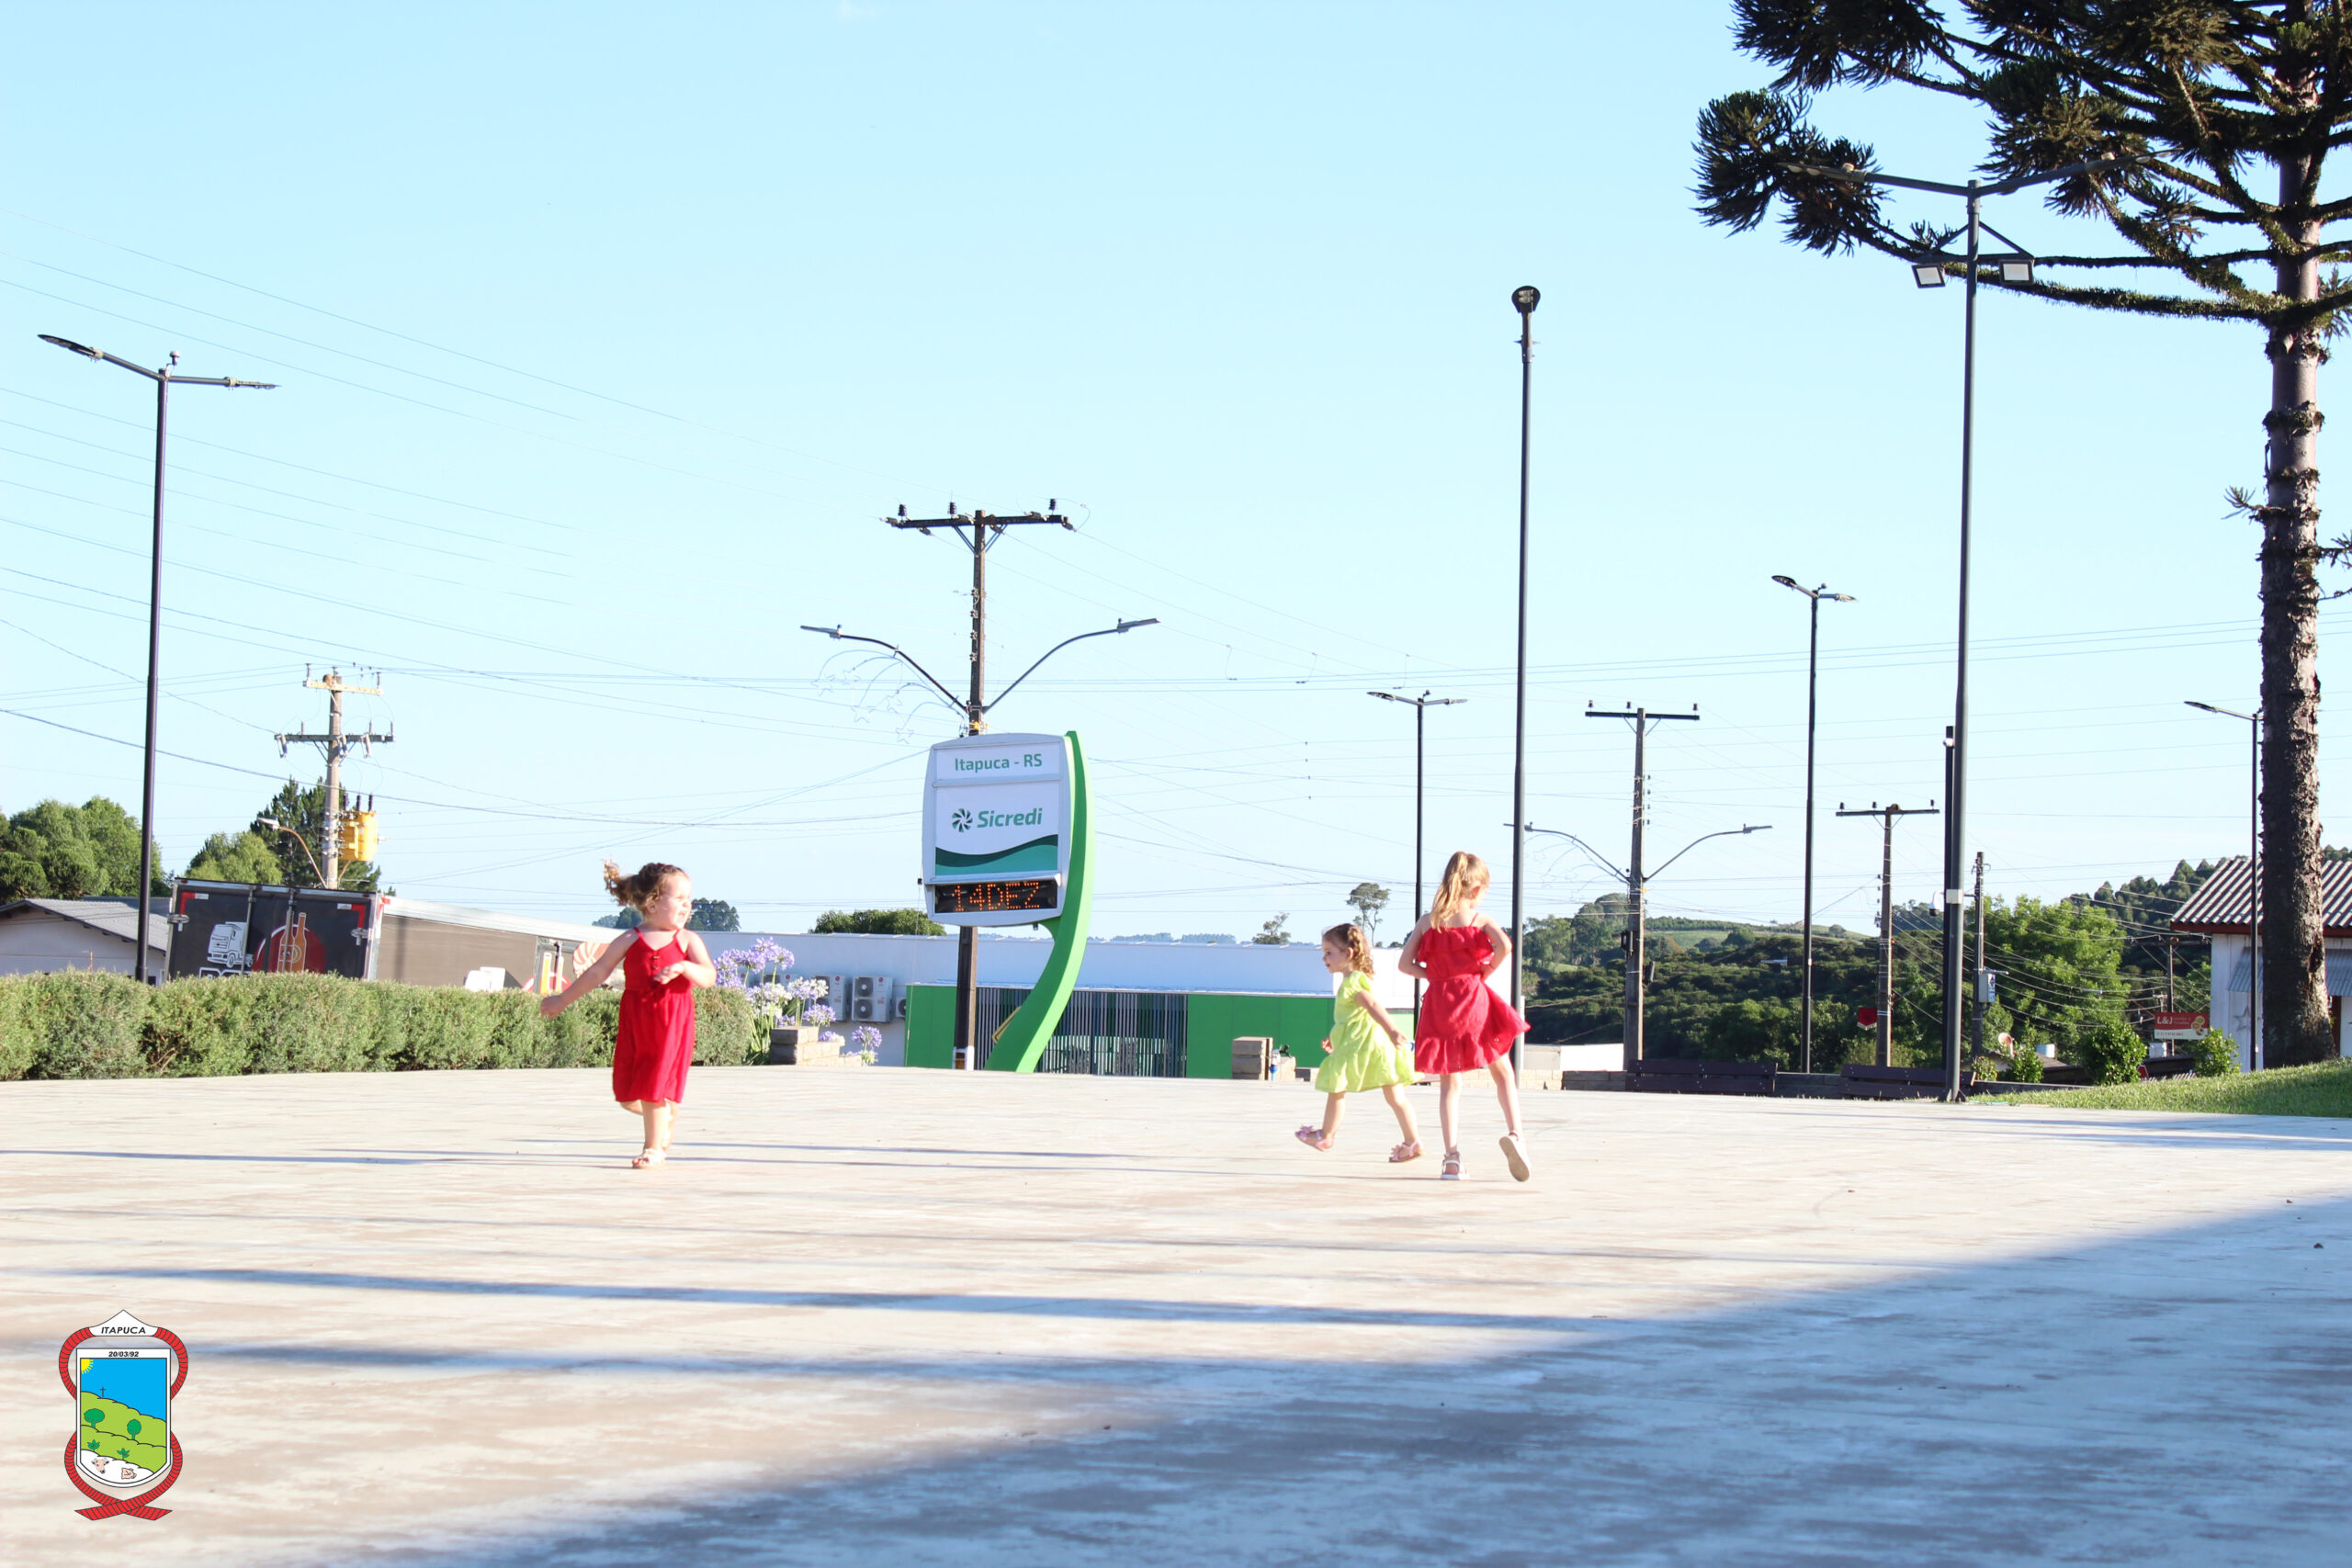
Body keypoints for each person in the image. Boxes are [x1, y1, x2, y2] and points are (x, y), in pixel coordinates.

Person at [541, 860, 715, 1168]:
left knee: (654, 1084)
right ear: (652, 903)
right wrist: (562, 1000)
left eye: (688, 899)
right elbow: (597, 973)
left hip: (671, 1021)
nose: (687, 905)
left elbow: (708, 977)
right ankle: (664, 1116)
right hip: (637, 1020)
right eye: (679, 898)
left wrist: (684, 967)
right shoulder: (629, 939)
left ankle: (653, 1148)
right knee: (627, 1094)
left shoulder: (688, 940)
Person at [1396, 851, 1530, 1181]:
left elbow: (1404, 964)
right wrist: (1486, 970)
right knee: (1502, 1071)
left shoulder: (1428, 922)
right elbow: (1505, 946)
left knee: (1449, 1083)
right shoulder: (1479, 920)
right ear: (1477, 889)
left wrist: (1434, 976)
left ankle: (1452, 1159)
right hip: (1473, 1000)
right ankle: (1516, 1135)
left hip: (1440, 1006)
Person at [1295, 923, 1423, 1163]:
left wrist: (1393, 1030)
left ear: (1348, 953)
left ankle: (1326, 1136)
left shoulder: (1353, 982)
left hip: (1365, 1047)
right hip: (1374, 1046)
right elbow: (1352, 1018)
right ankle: (1412, 1142)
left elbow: (1372, 1005)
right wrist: (1333, 1038)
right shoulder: (1355, 980)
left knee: (1336, 1087)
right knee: (1395, 1097)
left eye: (1329, 953)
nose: (1324, 958)